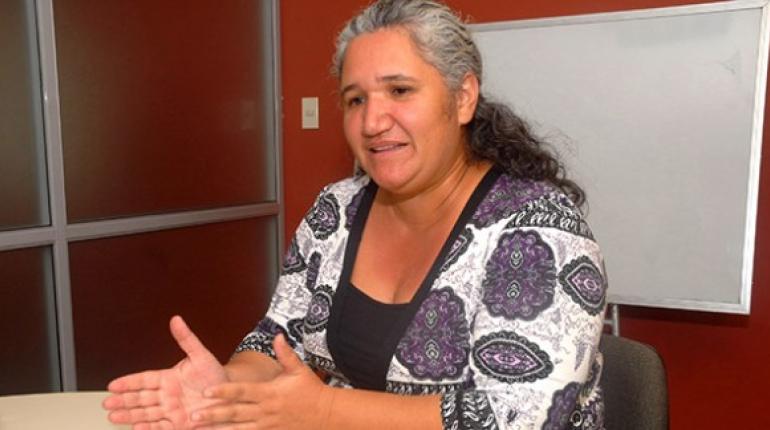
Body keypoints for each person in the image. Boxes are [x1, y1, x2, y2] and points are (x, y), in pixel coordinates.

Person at [103, 0, 607, 429]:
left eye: (400, 91)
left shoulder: (537, 232)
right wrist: (229, 385)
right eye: (355, 99)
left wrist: (323, 409)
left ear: (462, 98)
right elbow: (280, 338)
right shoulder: (337, 209)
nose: (372, 121)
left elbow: (516, 417)